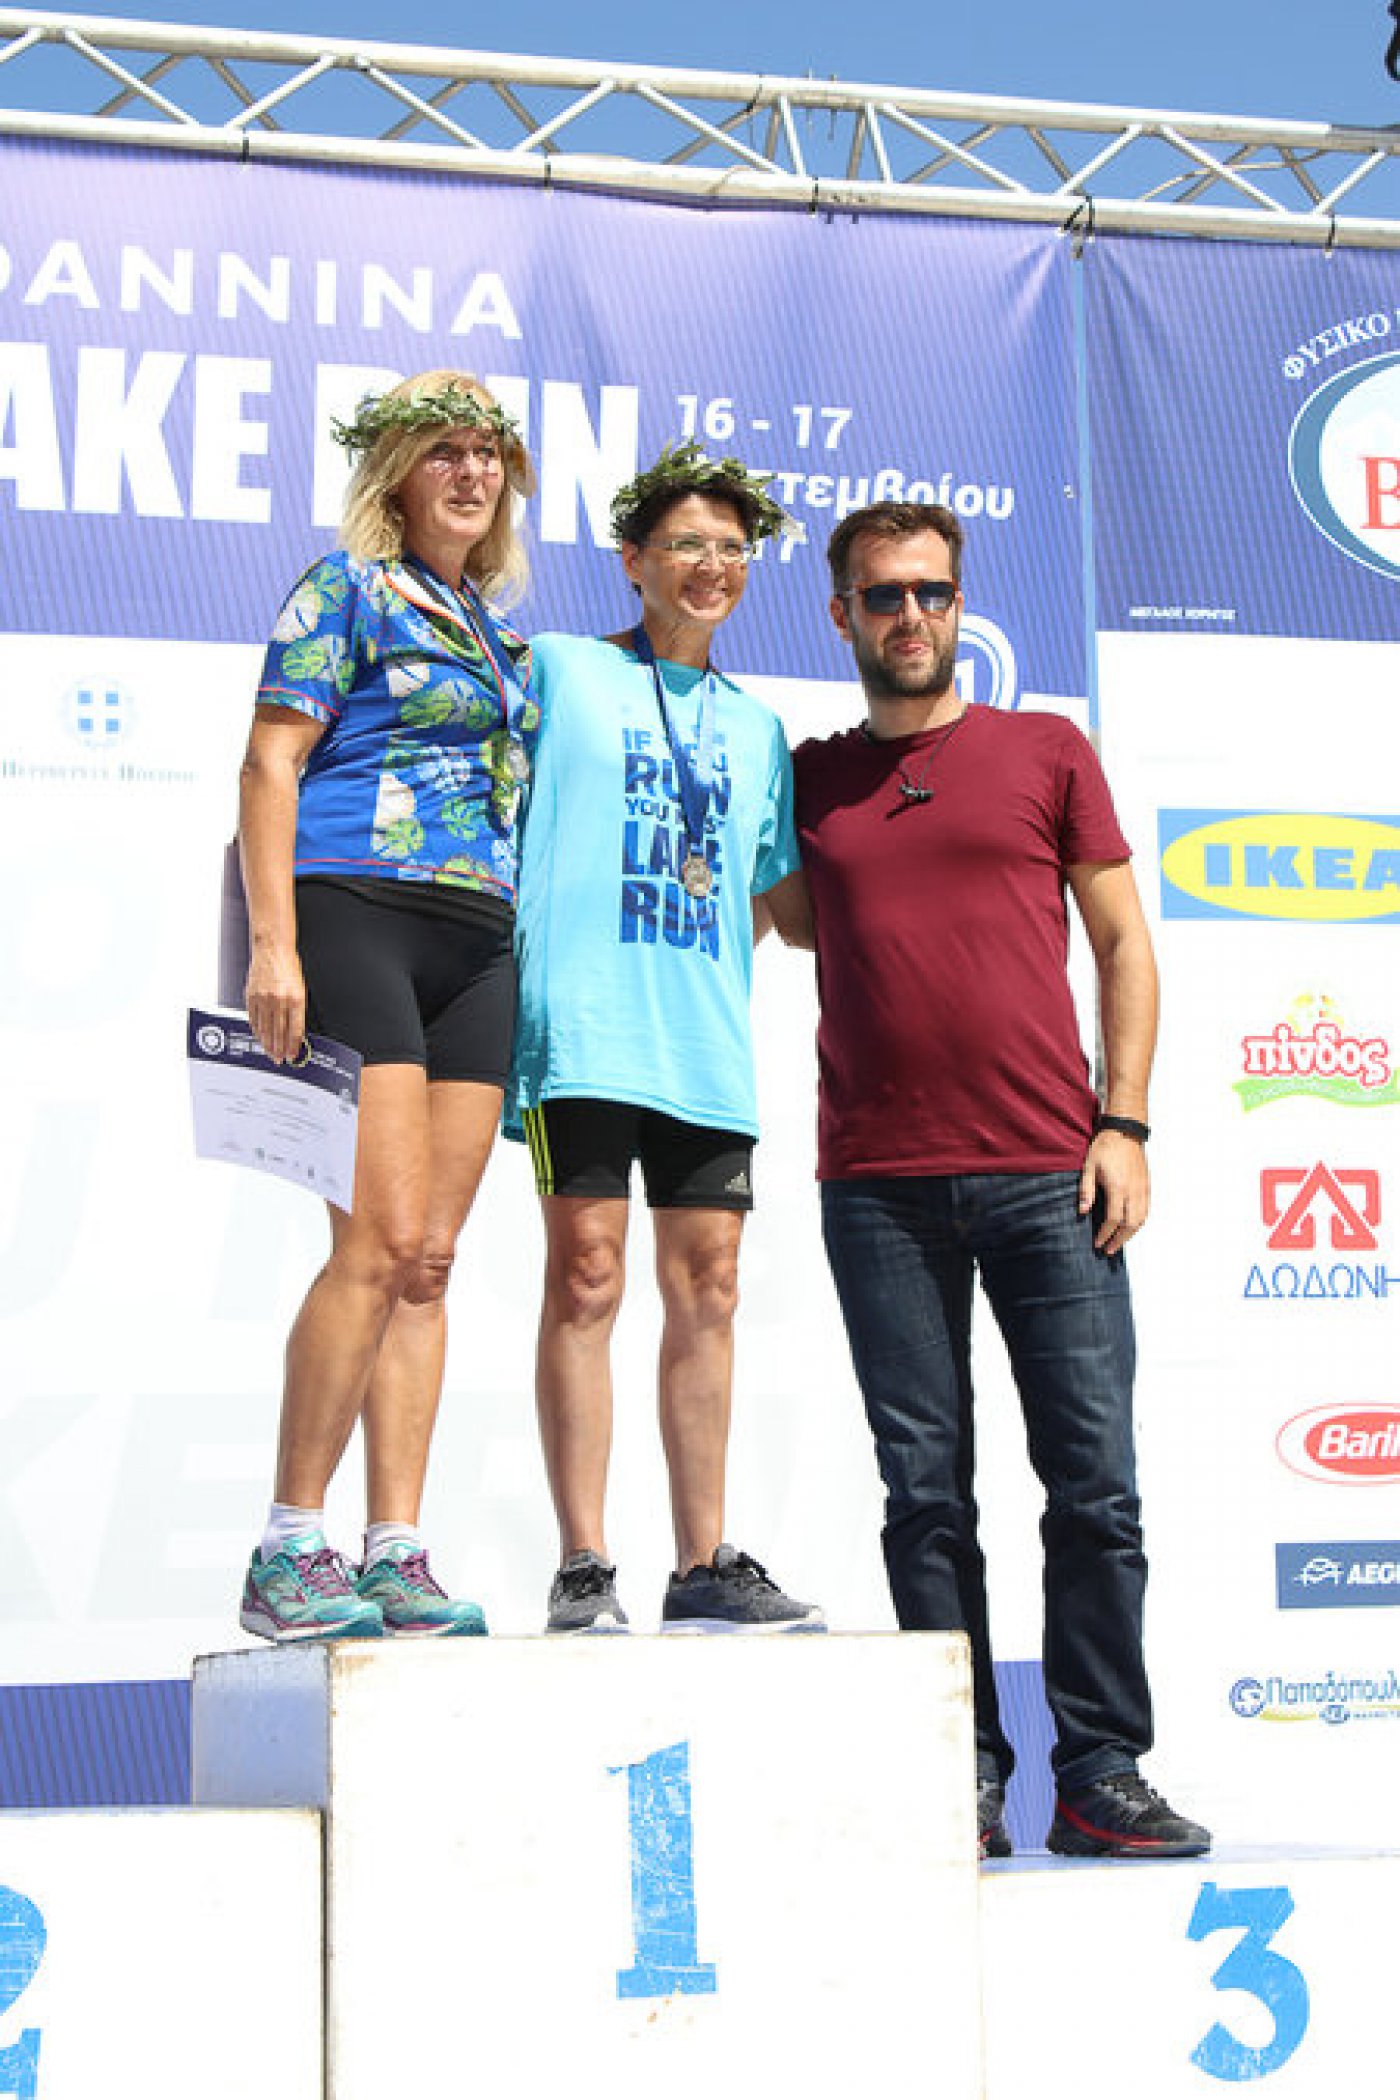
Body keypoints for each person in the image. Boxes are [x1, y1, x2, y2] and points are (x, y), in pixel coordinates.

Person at [787, 500, 1209, 1858]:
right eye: (883, 595)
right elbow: (779, 919)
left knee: (1094, 1490)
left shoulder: (1045, 750)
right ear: (842, 615)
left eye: (931, 591)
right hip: (876, 1183)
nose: (910, 615)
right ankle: (958, 1774)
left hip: (1048, 1173)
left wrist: (1123, 1123)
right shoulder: (808, 780)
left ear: (960, 605)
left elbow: (1124, 944)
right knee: (925, 1498)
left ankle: (1100, 1773)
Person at [236, 370, 539, 1641]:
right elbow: (271, 759)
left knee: (429, 1259)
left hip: (478, 940)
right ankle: (285, 1548)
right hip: (356, 906)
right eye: (443, 451)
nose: (470, 473)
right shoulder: (346, 588)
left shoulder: (498, 632)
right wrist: (274, 946)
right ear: (397, 472)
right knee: (373, 1242)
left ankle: (393, 1554)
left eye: (488, 454)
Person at [509, 442, 822, 1635]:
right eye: (685, 544)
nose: (710, 565)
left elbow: (780, 900)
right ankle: (583, 1562)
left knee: (712, 1290)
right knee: (585, 1275)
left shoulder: (756, 726)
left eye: (731, 548)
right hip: (582, 1032)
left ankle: (700, 1563)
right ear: (632, 560)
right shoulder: (561, 670)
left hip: (701, 1046)